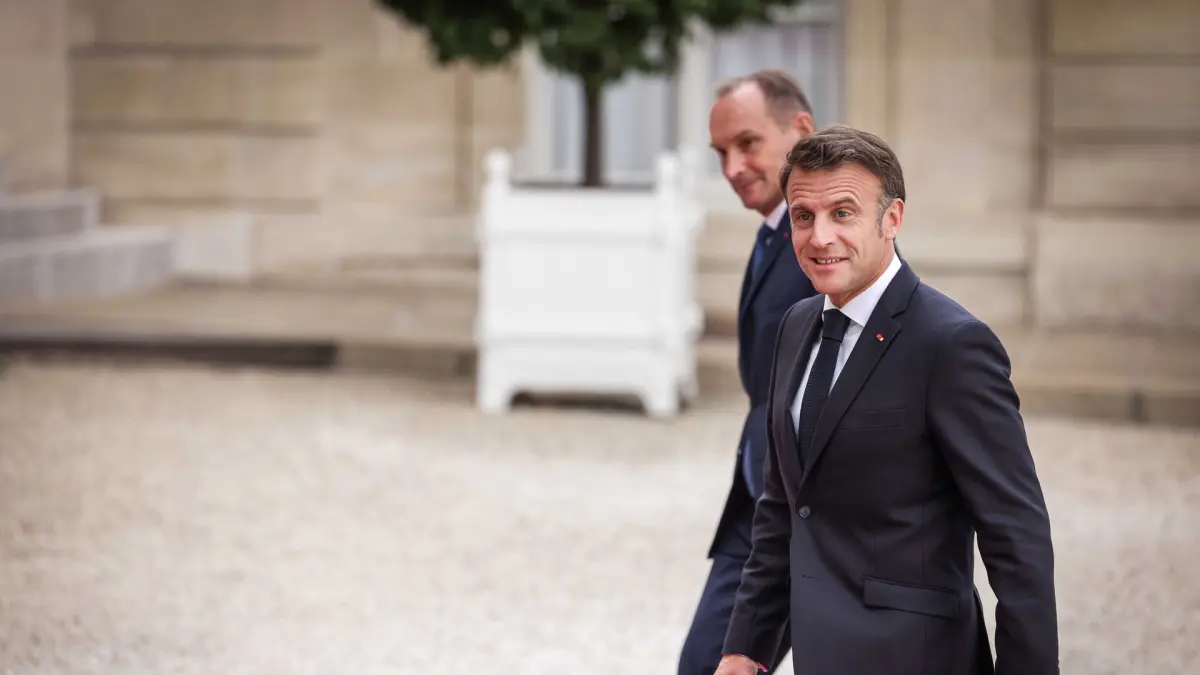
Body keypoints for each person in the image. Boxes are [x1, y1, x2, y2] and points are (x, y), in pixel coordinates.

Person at [714, 125, 1059, 675]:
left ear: (892, 218)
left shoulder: (951, 344)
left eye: (842, 213)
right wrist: (746, 645)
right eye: (803, 216)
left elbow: (1016, 534)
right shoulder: (796, 326)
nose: (819, 237)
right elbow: (784, 507)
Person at [677, 70, 819, 675]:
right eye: (720, 153)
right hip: (758, 500)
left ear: (800, 130)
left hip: (805, 514)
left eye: (747, 143)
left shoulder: (826, 244)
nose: (732, 168)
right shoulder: (773, 234)